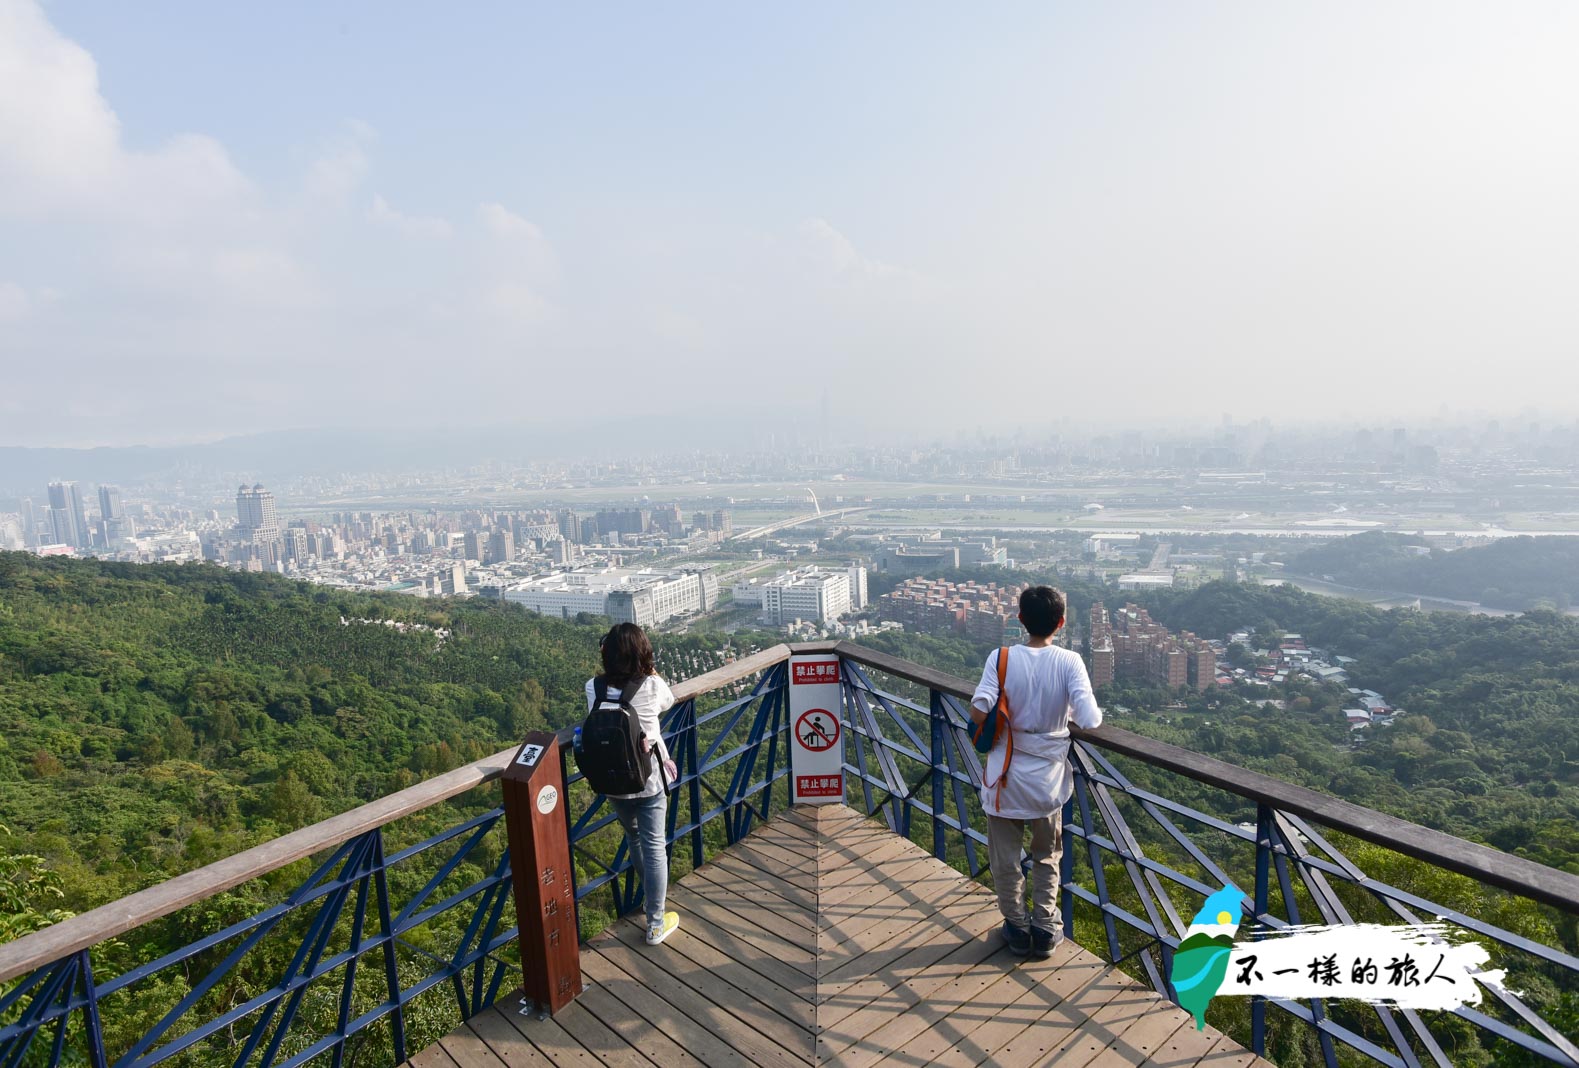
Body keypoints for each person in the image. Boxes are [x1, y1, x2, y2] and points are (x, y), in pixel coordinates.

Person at [970, 586, 1103, 961]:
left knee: (1005, 859)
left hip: (1005, 776)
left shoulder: (1002, 657)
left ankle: (1016, 925)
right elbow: (1090, 719)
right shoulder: (1070, 661)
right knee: (1047, 855)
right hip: (1048, 779)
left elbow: (979, 711)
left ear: (1020, 620)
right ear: (1061, 623)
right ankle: (1045, 927)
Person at [586, 622, 681, 946]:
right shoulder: (651, 685)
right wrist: (650, 670)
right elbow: (669, 701)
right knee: (655, 845)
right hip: (648, 778)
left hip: (612, 779)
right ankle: (656, 922)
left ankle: (648, 902)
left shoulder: (593, 687)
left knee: (636, 838)